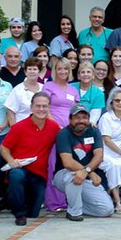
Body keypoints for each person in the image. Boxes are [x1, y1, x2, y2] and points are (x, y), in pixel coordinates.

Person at [0, 92, 59, 226]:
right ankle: (19, 214)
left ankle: (11, 201)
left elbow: (66, 135)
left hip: (39, 174)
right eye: (38, 106)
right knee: (15, 175)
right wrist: (11, 160)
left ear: (49, 108)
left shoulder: (53, 127)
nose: (41, 109)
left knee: (33, 213)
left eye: (45, 106)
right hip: (20, 168)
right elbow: (3, 147)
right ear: (31, 107)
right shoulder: (19, 127)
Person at [53, 104, 114, 221]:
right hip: (63, 175)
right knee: (74, 175)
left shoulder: (94, 131)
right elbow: (68, 162)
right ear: (70, 119)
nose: (81, 121)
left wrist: (86, 171)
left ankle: (74, 203)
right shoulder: (63, 134)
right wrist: (89, 172)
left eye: (84, 118)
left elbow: (99, 156)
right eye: (77, 118)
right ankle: (74, 212)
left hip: (85, 177)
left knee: (106, 210)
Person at [42, 57, 78, 212]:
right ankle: (54, 202)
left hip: (69, 132)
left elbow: (76, 111)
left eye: (66, 69)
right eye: (59, 69)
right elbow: (45, 109)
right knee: (52, 165)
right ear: (55, 70)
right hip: (53, 130)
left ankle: (67, 200)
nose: (63, 71)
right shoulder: (48, 86)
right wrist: (57, 127)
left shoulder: (73, 89)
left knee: (68, 165)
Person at [97, 88, 121, 213]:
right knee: (114, 166)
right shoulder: (106, 117)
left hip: (120, 153)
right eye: (117, 100)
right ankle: (118, 202)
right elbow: (107, 140)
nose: (120, 103)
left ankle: (107, 195)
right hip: (106, 152)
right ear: (111, 102)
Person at [4, 58, 44, 124]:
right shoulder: (18, 90)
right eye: (29, 69)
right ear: (25, 72)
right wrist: (14, 130)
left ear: (39, 72)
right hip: (21, 129)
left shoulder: (44, 88)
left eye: (35, 69)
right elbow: (10, 112)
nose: (32, 71)